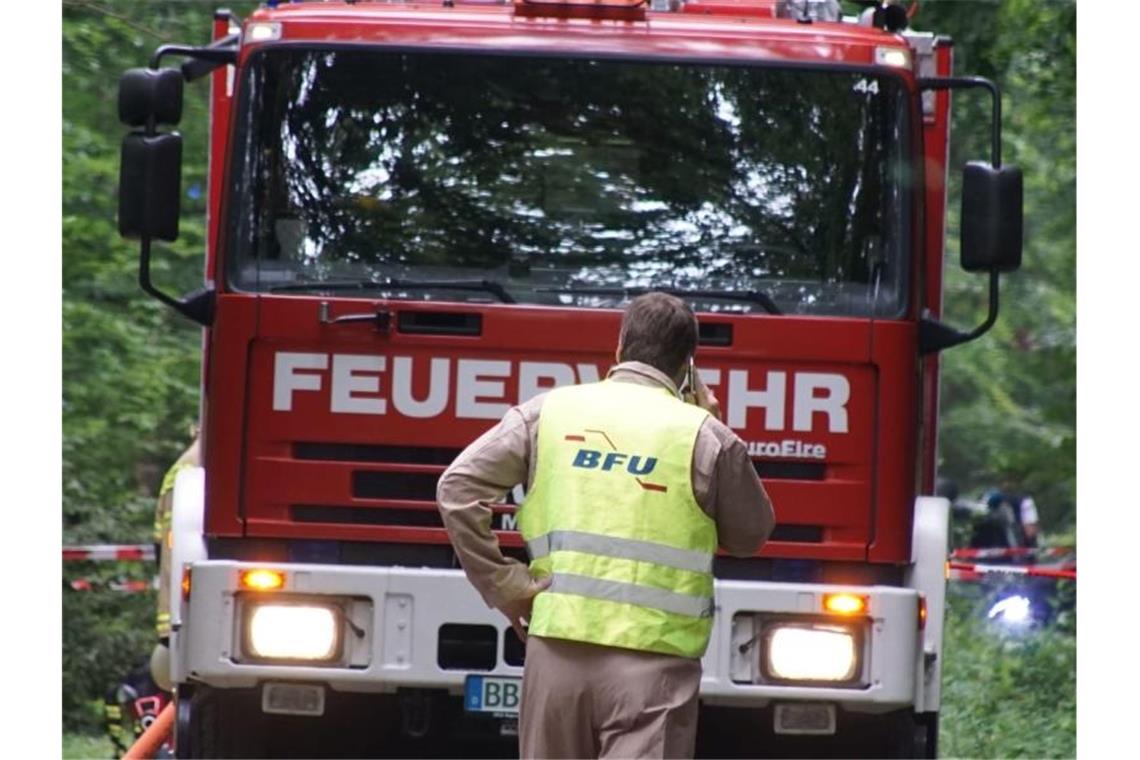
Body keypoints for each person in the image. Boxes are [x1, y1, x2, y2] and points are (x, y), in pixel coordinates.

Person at [437, 292, 775, 758]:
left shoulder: (548, 413)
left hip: (556, 656)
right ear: (688, 366)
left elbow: (456, 487)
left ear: (619, 348)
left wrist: (504, 584)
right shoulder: (704, 436)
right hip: (655, 668)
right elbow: (749, 535)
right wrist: (713, 426)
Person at [150, 435, 200, 692]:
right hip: (185, 613)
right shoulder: (195, 468)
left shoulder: (183, 468)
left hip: (177, 614)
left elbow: (161, 546)